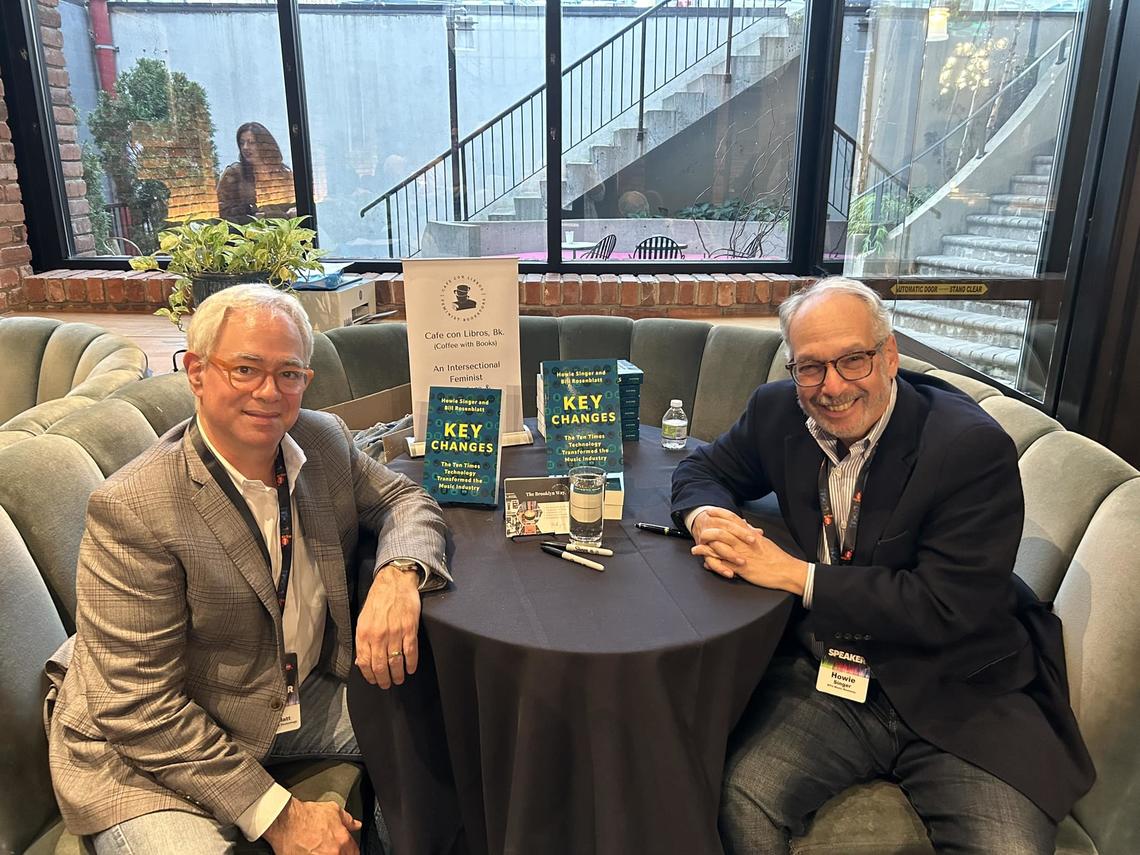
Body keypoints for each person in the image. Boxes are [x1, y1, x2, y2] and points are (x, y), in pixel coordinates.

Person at [670, 277, 1094, 853]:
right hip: (833, 677)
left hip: (961, 687)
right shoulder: (777, 412)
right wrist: (709, 521)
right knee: (737, 798)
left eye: (853, 360)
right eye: (810, 367)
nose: (832, 387)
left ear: (890, 356)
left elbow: (948, 605)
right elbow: (702, 472)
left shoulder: (966, 447)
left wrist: (794, 574)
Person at [47, 283, 449, 854]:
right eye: (245, 369)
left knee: (449, 718)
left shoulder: (321, 439)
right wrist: (281, 816)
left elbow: (404, 500)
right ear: (196, 371)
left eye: (289, 373)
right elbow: (138, 709)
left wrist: (399, 572)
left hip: (285, 695)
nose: (270, 391)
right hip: (146, 750)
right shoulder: (134, 509)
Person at [217, 122, 296, 223]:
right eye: (242, 143)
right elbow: (222, 211)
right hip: (248, 234)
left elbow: (297, 203)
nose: (245, 147)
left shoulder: (284, 175)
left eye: (251, 142)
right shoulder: (234, 173)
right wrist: (252, 214)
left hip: (285, 233)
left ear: (264, 145)